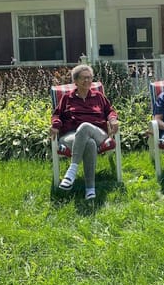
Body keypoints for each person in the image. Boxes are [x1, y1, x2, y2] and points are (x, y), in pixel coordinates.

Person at [50, 64, 119, 200]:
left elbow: (110, 111)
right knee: (90, 144)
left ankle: (72, 171)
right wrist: (56, 125)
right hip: (71, 135)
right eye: (83, 78)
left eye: (89, 78)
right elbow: (57, 115)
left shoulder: (98, 96)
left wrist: (112, 120)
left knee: (85, 127)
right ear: (75, 81)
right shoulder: (67, 98)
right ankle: (90, 188)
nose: (87, 81)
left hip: (98, 132)